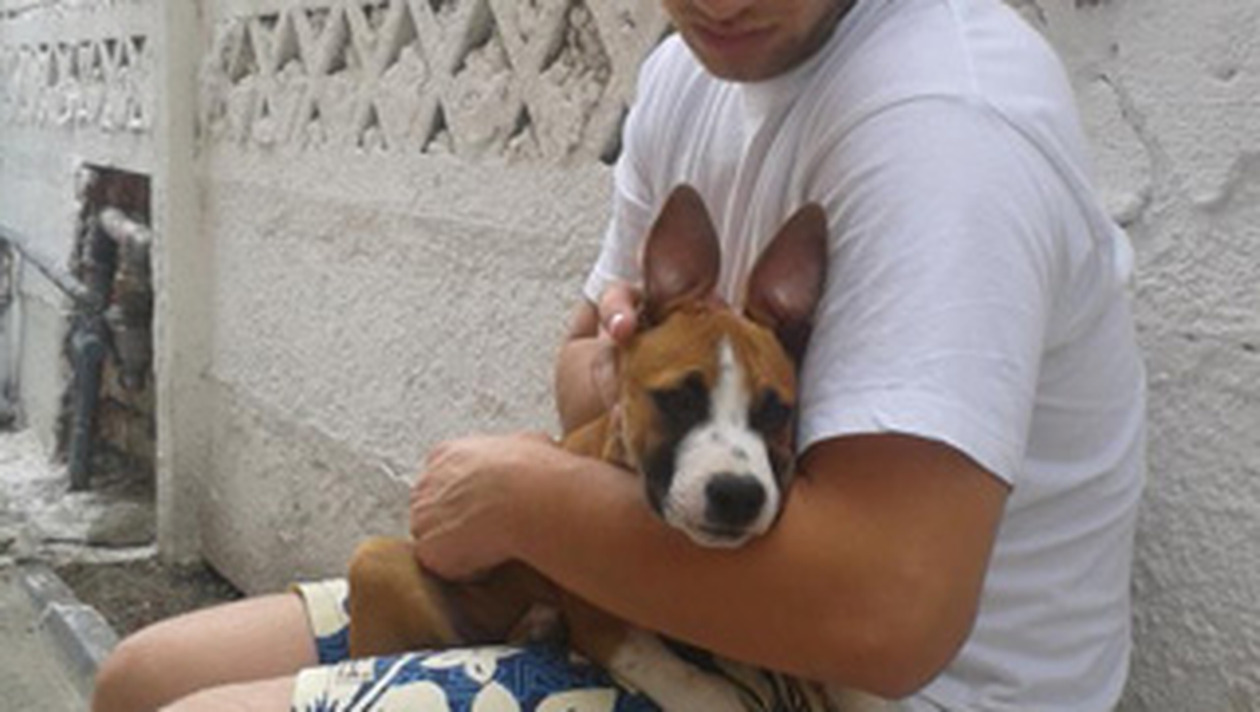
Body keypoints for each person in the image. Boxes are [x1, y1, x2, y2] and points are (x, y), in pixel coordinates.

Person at [92, 0, 1146, 709]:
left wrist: (526, 496)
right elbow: (584, 376)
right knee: (143, 676)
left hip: (865, 683)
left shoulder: (944, 126)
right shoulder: (688, 73)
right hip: (656, 597)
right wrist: (608, 395)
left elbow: (886, 620)